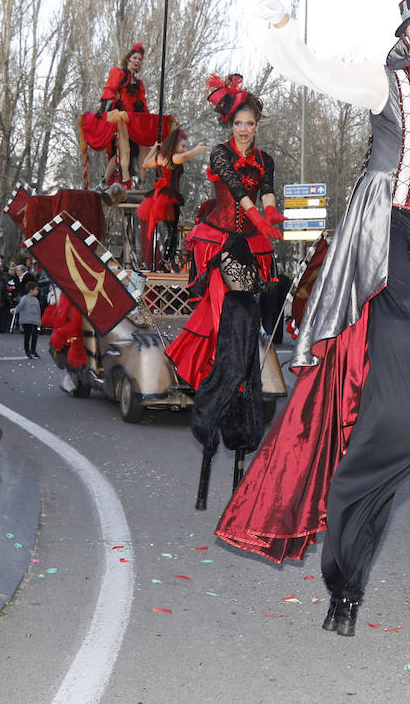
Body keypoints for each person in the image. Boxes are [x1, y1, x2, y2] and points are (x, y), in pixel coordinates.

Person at [216, 0, 410, 636]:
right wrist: (285, 30)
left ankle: (346, 573)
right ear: (409, 33)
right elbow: (317, 72)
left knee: (399, 440)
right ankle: (345, 583)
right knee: (375, 423)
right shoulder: (387, 81)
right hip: (374, 250)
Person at [166, 76, 283, 509]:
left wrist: (272, 215)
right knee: (224, 327)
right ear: (229, 123)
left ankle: (240, 415)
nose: (244, 129)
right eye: (238, 122)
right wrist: (260, 218)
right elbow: (236, 190)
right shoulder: (219, 153)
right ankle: (215, 396)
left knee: (246, 335)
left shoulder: (265, 157)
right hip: (221, 242)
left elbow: (264, 187)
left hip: (252, 245)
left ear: (257, 125)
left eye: (250, 123)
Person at [138, 128, 208, 270]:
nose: (184, 149)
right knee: (172, 229)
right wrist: (196, 150)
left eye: (185, 147)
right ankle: (167, 258)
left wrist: (154, 149)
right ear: (174, 144)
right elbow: (183, 157)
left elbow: (145, 164)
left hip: (161, 196)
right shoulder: (173, 157)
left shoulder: (160, 156)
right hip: (168, 197)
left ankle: (168, 258)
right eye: (182, 146)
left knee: (171, 228)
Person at [98, 43, 149, 186]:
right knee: (121, 150)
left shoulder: (139, 83)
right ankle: (104, 181)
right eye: (135, 58)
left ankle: (141, 182)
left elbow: (143, 102)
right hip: (121, 118)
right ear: (128, 59)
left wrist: (147, 119)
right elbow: (110, 89)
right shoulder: (119, 73)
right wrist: (104, 107)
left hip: (133, 120)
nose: (137, 61)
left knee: (143, 146)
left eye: (140, 59)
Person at [16, 282, 42, 359]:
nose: (37, 291)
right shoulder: (24, 299)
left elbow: (38, 311)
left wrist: (39, 321)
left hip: (34, 321)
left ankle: (33, 350)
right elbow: (19, 307)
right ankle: (27, 350)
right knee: (27, 336)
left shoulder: (36, 300)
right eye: (36, 290)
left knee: (35, 336)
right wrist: (15, 310)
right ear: (31, 290)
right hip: (27, 321)